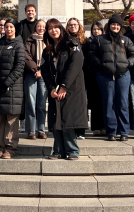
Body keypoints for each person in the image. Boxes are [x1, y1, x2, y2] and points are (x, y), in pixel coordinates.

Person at [41, 19, 87, 160]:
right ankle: (58, 150)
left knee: (68, 119)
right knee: (56, 120)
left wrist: (64, 86)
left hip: (72, 89)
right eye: (50, 29)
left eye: (56, 28)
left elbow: (75, 66)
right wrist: (51, 88)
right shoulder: (47, 50)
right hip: (55, 90)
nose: (54, 31)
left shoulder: (72, 44)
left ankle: (72, 150)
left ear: (61, 29)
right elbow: (45, 71)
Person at [89, 14, 134, 142]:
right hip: (105, 75)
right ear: (109, 26)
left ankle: (124, 132)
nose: (115, 27)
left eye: (117, 25)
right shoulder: (99, 39)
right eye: (113, 24)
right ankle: (111, 131)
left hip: (123, 75)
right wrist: (100, 64)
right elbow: (91, 54)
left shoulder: (126, 40)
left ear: (120, 27)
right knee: (108, 103)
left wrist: (128, 63)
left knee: (123, 103)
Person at [0, 19, 25, 159]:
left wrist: (6, 83)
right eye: (6, 27)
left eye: (11, 27)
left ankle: (11, 148)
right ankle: (0, 146)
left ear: (16, 29)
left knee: (11, 119)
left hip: (12, 89)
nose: (8, 29)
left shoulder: (19, 45)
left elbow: (20, 67)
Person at [24, 19, 48, 140]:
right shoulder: (29, 40)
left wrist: (42, 71)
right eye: (39, 26)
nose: (41, 28)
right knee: (31, 102)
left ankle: (42, 130)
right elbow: (26, 56)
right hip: (31, 74)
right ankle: (31, 130)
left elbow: (51, 57)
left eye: (43, 26)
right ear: (35, 27)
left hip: (44, 75)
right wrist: (35, 70)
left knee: (42, 104)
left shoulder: (49, 41)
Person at [66, 17, 88, 139]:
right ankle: (71, 129)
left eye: (74, 24)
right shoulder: (65, 40)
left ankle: (80, 130)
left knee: (81, 104)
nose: (72, 26)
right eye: (70, 25)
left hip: (82, 75)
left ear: (79, 26)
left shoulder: (85, 41)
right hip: (69, 75)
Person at [86, 22, 105, 135]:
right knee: (94, 102)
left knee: (104, 101)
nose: (96, 31)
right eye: (94, 29)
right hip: (92, 75)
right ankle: (95, 127)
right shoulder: (88, 42)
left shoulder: (105, 41)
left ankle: (104, 126)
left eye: (98, 29)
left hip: (103, 74)